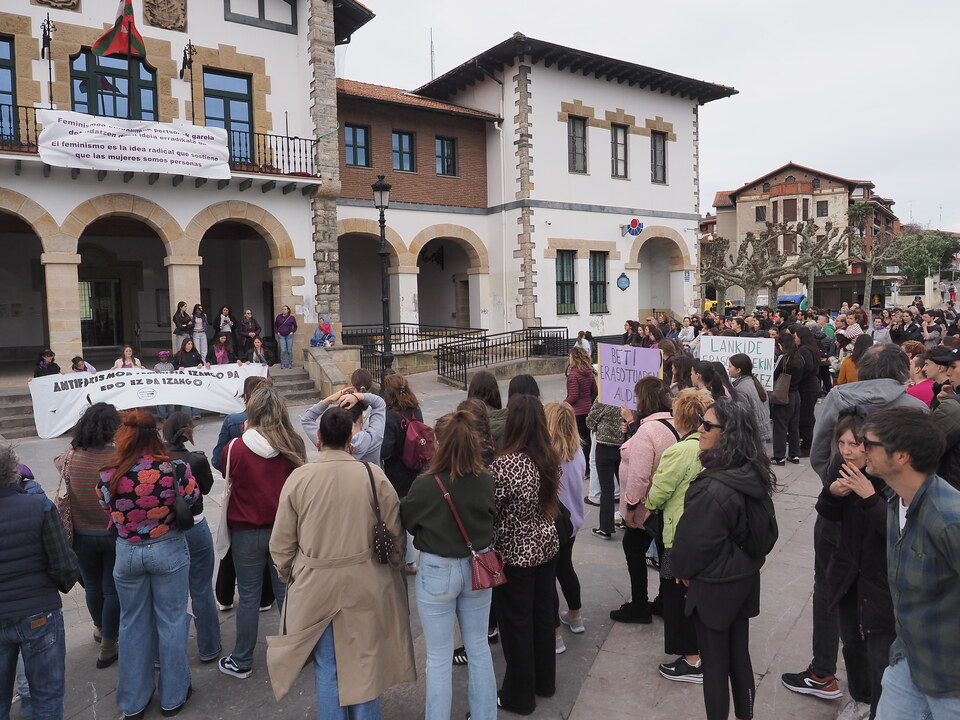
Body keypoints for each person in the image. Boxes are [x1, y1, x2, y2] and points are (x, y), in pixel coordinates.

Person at [783, 344, 928, 704]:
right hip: (890, 512)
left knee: (829, 587)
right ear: (902, 374)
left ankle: (824, 671)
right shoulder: (917, 409)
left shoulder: (839, 396)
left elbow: (819, 451)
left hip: (849, 510)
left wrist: (838, 483)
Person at [268, 407, 416, 717]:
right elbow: (395, 534)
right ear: (351, 439)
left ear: (319, 437)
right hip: (366, 583)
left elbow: (281, 544)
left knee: (327, 666)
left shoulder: (299, 478)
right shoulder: (372, 475)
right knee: (366, 665)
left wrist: (291, 574)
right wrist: (394, 567)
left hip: (315, 586)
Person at [671, 398, 778, 720]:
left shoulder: (713, 486)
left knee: (715, 664)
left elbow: (693, 542)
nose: (700, 429)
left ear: (728, 433)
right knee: (739, 656)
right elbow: (768, 534)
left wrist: (683, 569)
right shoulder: (752, 471)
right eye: (700, 422)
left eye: (707, 425)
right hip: (743, 579)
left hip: (715, 585)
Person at [858, 409, 960, 718]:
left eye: (869, 443)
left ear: (902, 456)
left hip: (951, 680)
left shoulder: (949, 519)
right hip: (908, 658)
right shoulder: (895, 498)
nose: (862, 449)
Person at [98, 410, 200, 718]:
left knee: (132, 624)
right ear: (154, 434)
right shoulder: (174, 467)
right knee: (171, 621)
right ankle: (173, 696)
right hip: (167, 547)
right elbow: (192, 498)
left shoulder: (109, 473)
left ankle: (134, 702)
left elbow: (107, 507)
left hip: (127, 552)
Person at [402, 410, 497, 720]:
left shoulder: (425, 484)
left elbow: (409, 521)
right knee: (478, 647)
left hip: (437, 569)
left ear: (438, 442)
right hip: (478, 566)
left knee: (439, 657)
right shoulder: (485, 479)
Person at [218, 386, 306, 680]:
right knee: (287, 594)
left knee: (249, 596)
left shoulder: (235, 447)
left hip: (246, 531)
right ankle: (296, 653)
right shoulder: (292, 443)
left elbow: (225, 473)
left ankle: (242, 659)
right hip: (284, 530)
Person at [814, 414, 895, 720]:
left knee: (880, 650)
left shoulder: (887, 477)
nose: (847, 451)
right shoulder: (842, 467)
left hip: (879, 580)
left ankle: (881, 708)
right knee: (851, 642)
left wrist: (870, 497)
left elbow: (895, 531)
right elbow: (827, 515)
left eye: (855, 444)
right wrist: (832, 493)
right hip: (847, 571)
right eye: (842, 443)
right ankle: (861, 697)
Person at [488, 394, 561, 715]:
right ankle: (544, 681)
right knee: (543, 614)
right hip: (547, 544)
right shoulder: (549, 456)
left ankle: (519, 695)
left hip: (516, 552)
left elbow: (491, 509)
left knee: (516, 623)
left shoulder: (504, 465)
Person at [0, 444, 79, 720]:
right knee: (46, 699)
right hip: (38, 612)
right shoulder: (39, 506)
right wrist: (60, 583)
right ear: (12, 469)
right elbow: (64, 565)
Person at [646, 388, 713, 684]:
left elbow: (659, 493)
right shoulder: (714, 447)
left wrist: (648, 502)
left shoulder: (680, 451)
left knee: (677, 595)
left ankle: (692, 658)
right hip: (705, 535)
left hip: (677, 536)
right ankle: (703, 650)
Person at [60, 403, 121, 669]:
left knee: (93, 585)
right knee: (111, 588)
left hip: (81, 534)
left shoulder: (70, 457)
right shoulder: (118, 457)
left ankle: (99, 627)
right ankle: (109, 644)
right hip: (112, 532)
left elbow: (58, 464)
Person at [612, 376, 677, 624]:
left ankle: (639, 604)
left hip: (646, 508)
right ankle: (665, 600)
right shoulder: (676, 424)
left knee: (633, 548)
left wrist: (630, 506)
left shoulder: (648, 431)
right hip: (669, 507)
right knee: (666, 553)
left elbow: (639, 476)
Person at [210, 376, 275, 613]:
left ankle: (225, 596)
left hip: (240, 495)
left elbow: (218, 459)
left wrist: (232, 471)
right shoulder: (280, 427)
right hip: (271, 498)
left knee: (231, 548)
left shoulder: (233, 422)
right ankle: (265, 598)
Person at [163, 412, 221, 665]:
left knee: (168, 595)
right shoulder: (196, 460)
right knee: (201, 588)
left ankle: (164, 654)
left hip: (166, 530)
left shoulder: (155, 461)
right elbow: (205, 489)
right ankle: (209, 646)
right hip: (195, 524)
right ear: (188, 431)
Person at [544, 402, 586, 651]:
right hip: (573, 522)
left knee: (548, 577)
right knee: (566, 567)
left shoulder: (548, 456)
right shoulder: (578, 452)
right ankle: (575, 615)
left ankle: (554, 635)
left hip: (553, 522)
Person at [380, 373, 426, 573]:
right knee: (415, 512)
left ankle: (408, 561)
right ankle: (417, 557)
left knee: (400, 517)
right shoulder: (415, 410)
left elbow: (385, 451)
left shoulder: (390, 416)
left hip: (397, 473)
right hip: (417, 468)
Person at [301, 386, 386, 465]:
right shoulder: (373, 437)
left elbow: (306, 419)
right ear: (361, 418)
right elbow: (379, 404)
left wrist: (329, 399)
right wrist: (358, 396)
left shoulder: (327, 441)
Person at [585, 396, 625, 537]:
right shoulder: (629, 397)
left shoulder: (604, 397)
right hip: (623, 446)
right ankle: (625, 519)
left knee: (606, 489)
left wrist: (600, 428)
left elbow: (590, 421)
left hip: (604, 446)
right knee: (624, 486)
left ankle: (606, 528)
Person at [564, 347, 596, 485]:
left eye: (570, 356)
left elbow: (573, 396)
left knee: (579, 442)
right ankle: (588, 468)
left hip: (577, 412)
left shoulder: (573, 375)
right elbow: (595, 391)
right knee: (588, 441)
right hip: (588, 411)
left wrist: (561, 405)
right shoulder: (589, 373)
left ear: (574, 358)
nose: (569, 359)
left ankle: (583, 469)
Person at [771, 332, 804, 465]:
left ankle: (779, 456)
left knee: (780, 426)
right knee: (794, 427)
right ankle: (794, 454)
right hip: (796, 394)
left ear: (782, 345)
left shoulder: (783, 358)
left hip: (783, 394)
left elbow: (774, 375)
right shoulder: (800, 358)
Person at [728, 354, 770, 447]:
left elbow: (744, 416)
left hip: (752, 435)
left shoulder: (741, 389)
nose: (728, 369)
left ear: (738, 370)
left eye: (730, 366)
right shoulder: (755, 383)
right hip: (761, 431)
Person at [153, 350, 176, 421]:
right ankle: (162, 417)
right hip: (160, 386)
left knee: (171, 403)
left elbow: (174, 374)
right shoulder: (156, 366)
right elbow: (154, 376)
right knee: (161, 402)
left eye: (165, 358)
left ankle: (171, 416)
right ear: (159, 358)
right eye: (162, 358)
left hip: (169, 386)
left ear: (167, 358)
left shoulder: (170, 365)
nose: (163, 359)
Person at [274, 305, 298, 369]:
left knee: (289, 350)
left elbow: (295, 326)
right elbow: (275, 325)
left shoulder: (291, 317)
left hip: (289, 335)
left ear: (288, 310)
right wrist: (277, 332)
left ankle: (290, 363)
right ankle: (282, 363)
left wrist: (292, 331)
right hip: (281, 335)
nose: (283, 310)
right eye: (283, 309)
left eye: (285, 309)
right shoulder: (278, 317)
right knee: (283, 350)